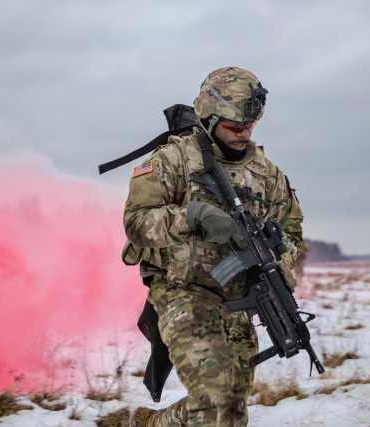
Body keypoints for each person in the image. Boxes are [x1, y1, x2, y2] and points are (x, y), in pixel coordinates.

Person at [123, 66, 304, 427]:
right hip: (183, 293)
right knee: (214, 400)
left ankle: (148, 424)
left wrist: (280, 258)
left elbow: (292, 229)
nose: (243, 133)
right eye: (235, 126)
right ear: (209, 115)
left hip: (240, 301)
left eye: (250, 126)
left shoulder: (267, 174)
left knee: (232, 412)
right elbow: (136, 224)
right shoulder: (170, 161)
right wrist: (193, 215)